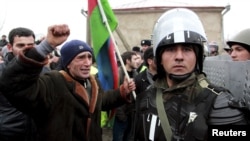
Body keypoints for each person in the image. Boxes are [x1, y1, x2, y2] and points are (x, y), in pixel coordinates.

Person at [0, 24, 136, 141]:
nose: (87, 63)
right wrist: (46, 46)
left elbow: (103, 100)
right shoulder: (52, 81)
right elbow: (15, 85)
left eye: (89, 57)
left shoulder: (93, 82)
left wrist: (122, 92)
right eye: (81, 58)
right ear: (68, 63)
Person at [133, 8, 249, 141]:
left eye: (187, 49)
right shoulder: (146, 97)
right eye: (170, 49)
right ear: (159, 58)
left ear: (197, 57)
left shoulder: (219, 104)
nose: (179, 57)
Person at [0, 27, 52, 141]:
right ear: (9, 47)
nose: (26, 50)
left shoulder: (45, 72)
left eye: (30, 46)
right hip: (8, 134)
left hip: (38, 134)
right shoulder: (1, 72)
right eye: (20, 45)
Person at [113, 51, 138, 141]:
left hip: (132, 115)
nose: (137, 61)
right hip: (121, 116)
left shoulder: (136, 74)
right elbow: (114, 95)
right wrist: (120, 115)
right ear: (128, 61)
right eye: (135, 59)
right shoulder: (118, 74)